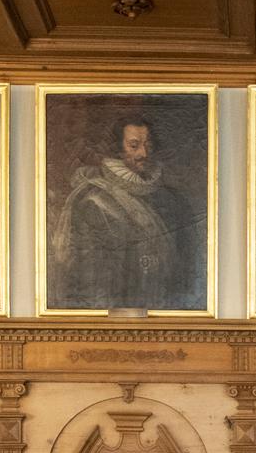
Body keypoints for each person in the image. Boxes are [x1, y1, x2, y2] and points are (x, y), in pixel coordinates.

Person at [49, 117, 203, 311]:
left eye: (148, 145)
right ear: (119, 149)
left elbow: (187, 271)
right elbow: (89, 277)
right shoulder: (93, 200)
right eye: (134, 146)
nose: (143, 153)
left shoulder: (172, 199)